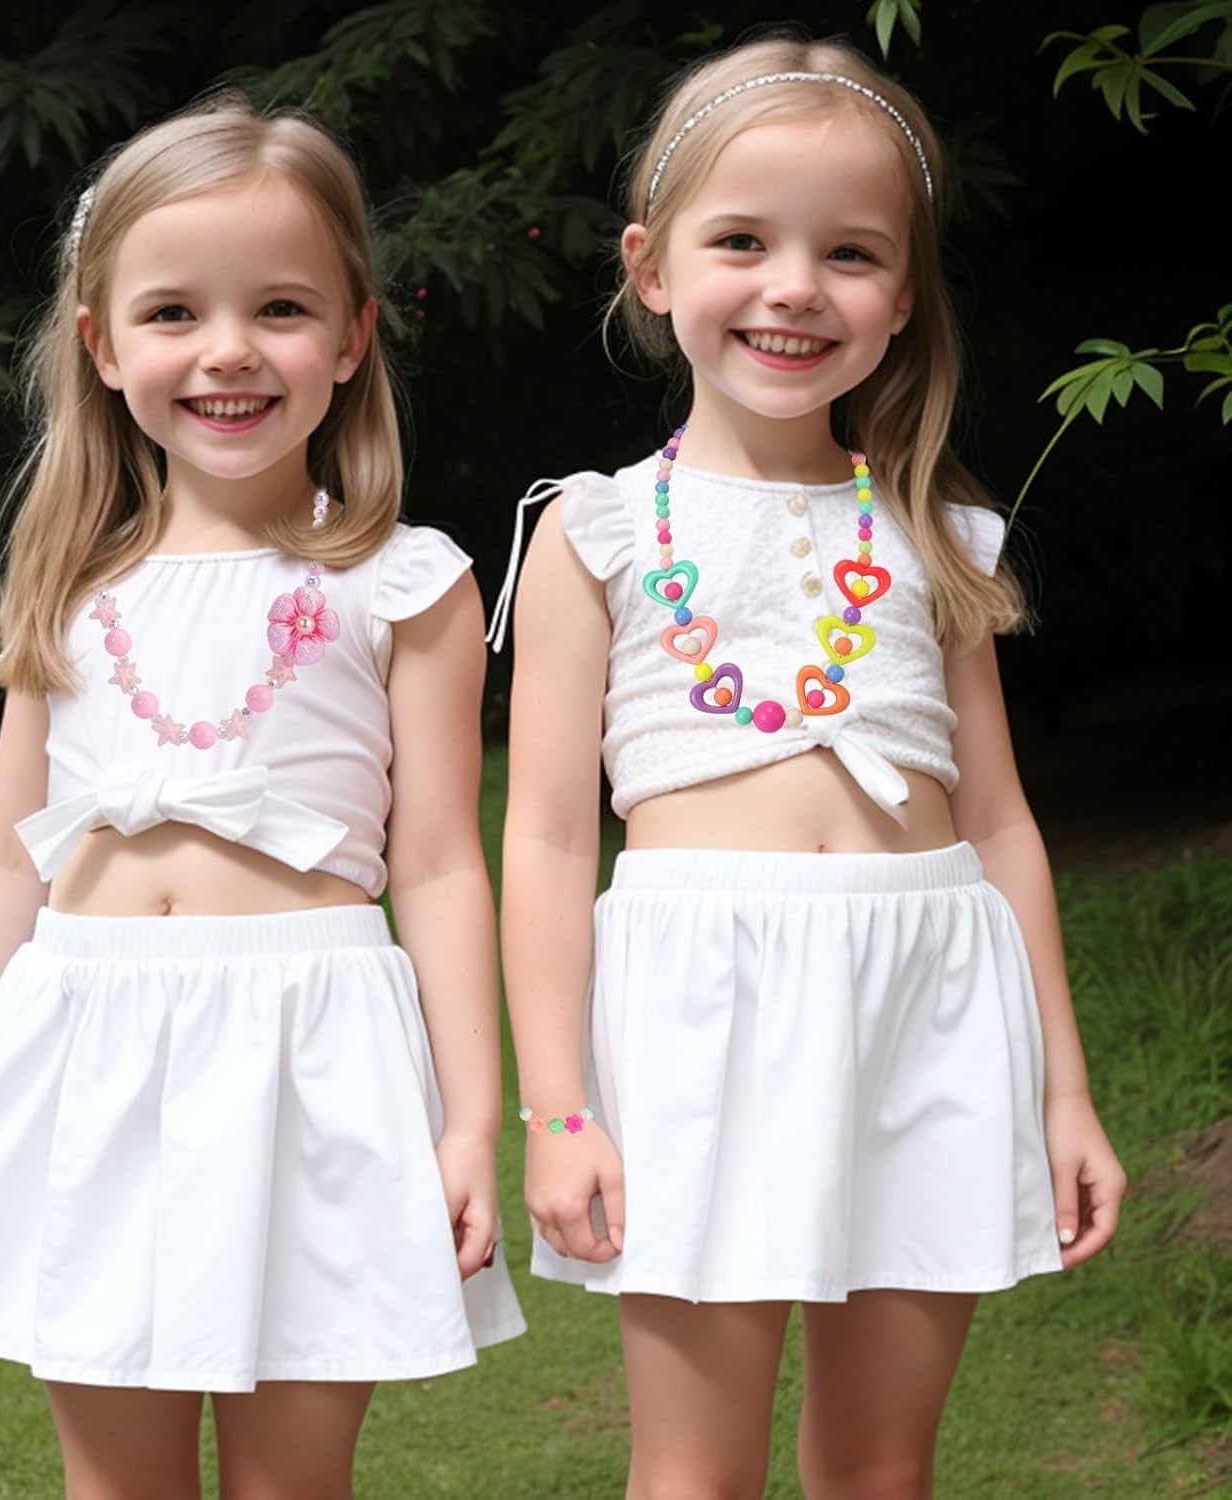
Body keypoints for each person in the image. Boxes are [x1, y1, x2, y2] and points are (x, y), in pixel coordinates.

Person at [0, 94, 523, 1499]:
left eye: (280, 308)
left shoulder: (406, 583)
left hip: (313, 1053)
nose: (228, 351)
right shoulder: (68, 586)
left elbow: (441, 866)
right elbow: (3, 865)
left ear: (352, 336)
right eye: (173, 313)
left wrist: (471, 1120)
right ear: (102, 346)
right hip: (84, 1050)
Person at [495, 34, 1125, 1499]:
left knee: (881, 1468)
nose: (794, 287)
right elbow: (547, 840)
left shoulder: (936, 534)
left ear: (902, 298)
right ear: (653, 268)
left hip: (929, 993)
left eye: (849, 253)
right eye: (743, 242)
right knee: (694, 1474)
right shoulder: (595, 530)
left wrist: (1065, 1091)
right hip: (700, 1005)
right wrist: (559, 1108)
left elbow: (1001, 823)